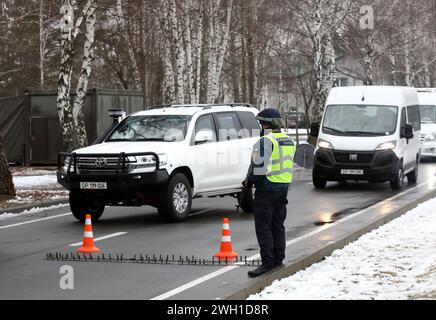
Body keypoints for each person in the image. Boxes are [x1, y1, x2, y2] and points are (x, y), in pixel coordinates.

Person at [243, 108, 296, 278]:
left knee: (264, 227)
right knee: (277, 225)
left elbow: (258, 170)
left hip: (267, 189)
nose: (260, 126)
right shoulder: (288, 141)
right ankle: (278, 259)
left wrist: (250, 182)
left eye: (261, 123)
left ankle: (267, 262)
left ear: (267, 124)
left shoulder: (265, 141)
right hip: (283, 188)